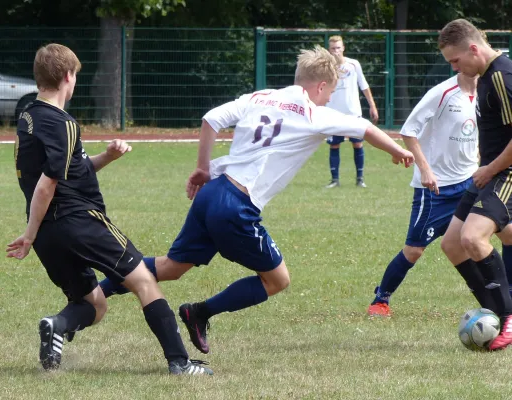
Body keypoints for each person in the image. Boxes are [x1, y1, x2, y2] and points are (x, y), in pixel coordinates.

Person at [98, 45, 414, 355]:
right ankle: (200, 312)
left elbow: (210, 118)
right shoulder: (314, 114)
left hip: (211, 193)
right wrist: (397, 150)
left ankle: (96, 291)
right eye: (330, 92)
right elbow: (365, 128)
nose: (330, 98)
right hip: (236, 206)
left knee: (172, 267)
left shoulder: (260, 97)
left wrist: (202, 168)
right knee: (277, 279)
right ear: (320, 86)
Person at [6, 43, 212, 375]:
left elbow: (68, 171)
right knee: (144, 280)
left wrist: (107, 157)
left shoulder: (27, 117)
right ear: (68, 77)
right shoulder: (64, 123)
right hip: (79, 222)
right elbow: (48, 184)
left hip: (48, 231)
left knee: (94, 305)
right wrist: (27, 236)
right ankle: (180, 363)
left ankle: (57, 325)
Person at [367, 72, 479, 316]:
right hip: (435, 189)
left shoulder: (486, 92)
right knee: (414, 250)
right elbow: (409, 130)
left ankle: (497, 299)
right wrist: (425, 169)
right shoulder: (442, 93)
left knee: (480, 240)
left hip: (470, 182)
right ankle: (380, 300)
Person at [438, 19, 512, 350]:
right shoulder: (484, 76)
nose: (455, 68)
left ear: (473, 48)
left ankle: (507, 316)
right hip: (488, 172)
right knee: (452, 244)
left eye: (455, 61)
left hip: (505, 174)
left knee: (472, 237)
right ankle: (494, 312)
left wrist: (491, 168)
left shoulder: (501, 76)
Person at [324, 35, 379, 189]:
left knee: (357, 144)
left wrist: (372, 105)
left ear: (343, 48)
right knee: (334, 146)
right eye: (333, 48)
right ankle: (334, 180)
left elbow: (364, 85)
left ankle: (360, 179)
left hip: (353, 112)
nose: (336, 51)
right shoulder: (326, 67)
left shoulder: (353, 64)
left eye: (338, 48)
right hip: (333, 114)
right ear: (329, 50)